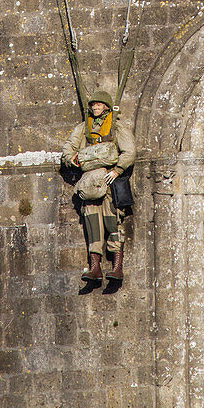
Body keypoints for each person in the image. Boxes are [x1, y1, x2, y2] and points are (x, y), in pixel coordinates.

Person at [62, 90, 136, 283]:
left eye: (99, 104)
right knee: (92, 223)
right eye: (93, 104)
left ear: (106, 107)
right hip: (89, 183)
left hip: (110, 182)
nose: (95, 107)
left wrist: (117, 170)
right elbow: (68, 149)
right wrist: (73, 159)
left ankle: (117, 267)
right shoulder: (83, 128)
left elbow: (129, 152)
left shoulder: (117, 127)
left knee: (113, 222)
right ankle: (95, 268)